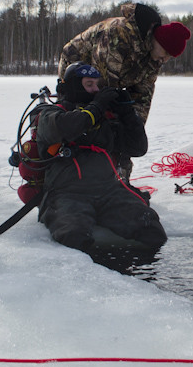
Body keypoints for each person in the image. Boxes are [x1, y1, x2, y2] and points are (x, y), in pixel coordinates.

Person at [33, 61, 167, 253]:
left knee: (151, 230)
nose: (96, 90)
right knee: (74, 237)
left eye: (97, 85)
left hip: (109, 192)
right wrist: (97, 106)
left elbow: (138, 148)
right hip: (66, 195)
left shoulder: (104, 118)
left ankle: (133, 279)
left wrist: (127, 113)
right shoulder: (50, 114)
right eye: (89, 85)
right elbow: (69, 127)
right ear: (73, 86)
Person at [58, 2, 191, 180]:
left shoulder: (154, 58)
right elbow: (104, 87)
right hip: (80, 69)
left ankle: (114, 177)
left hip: (111, 76)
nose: (165, 59)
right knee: (86, 119)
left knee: (122, 123)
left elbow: (142, 97)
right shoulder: (120, 34)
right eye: (165, 52)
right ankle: (74, 174)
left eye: (169, 57)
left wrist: (133, 133)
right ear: (157, 41)